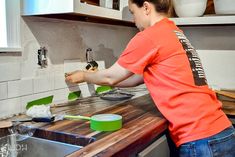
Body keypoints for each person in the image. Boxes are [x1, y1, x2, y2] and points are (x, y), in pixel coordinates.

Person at [65, 0, 235, 156]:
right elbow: (134, 78)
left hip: (201, 140)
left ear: (146, 7)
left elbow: (111, 76)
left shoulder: (150, 36)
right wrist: (104, 80)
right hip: (222, 131)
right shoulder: (174, 31)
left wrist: (84, 75)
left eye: (133, 12)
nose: (133, 20)